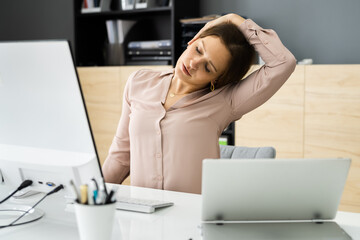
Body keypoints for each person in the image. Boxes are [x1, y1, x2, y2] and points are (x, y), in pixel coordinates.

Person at [102, 13, 296, 194]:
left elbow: (283, 63)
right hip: (142, 220)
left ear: (216, 80)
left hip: (191, 221)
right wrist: (93, 200)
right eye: (198, 50)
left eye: (208, 67)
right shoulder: (139, 82)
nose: (194, 63)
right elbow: (120, 157)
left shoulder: (225, 101)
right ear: (193, 40)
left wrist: (233, 19)